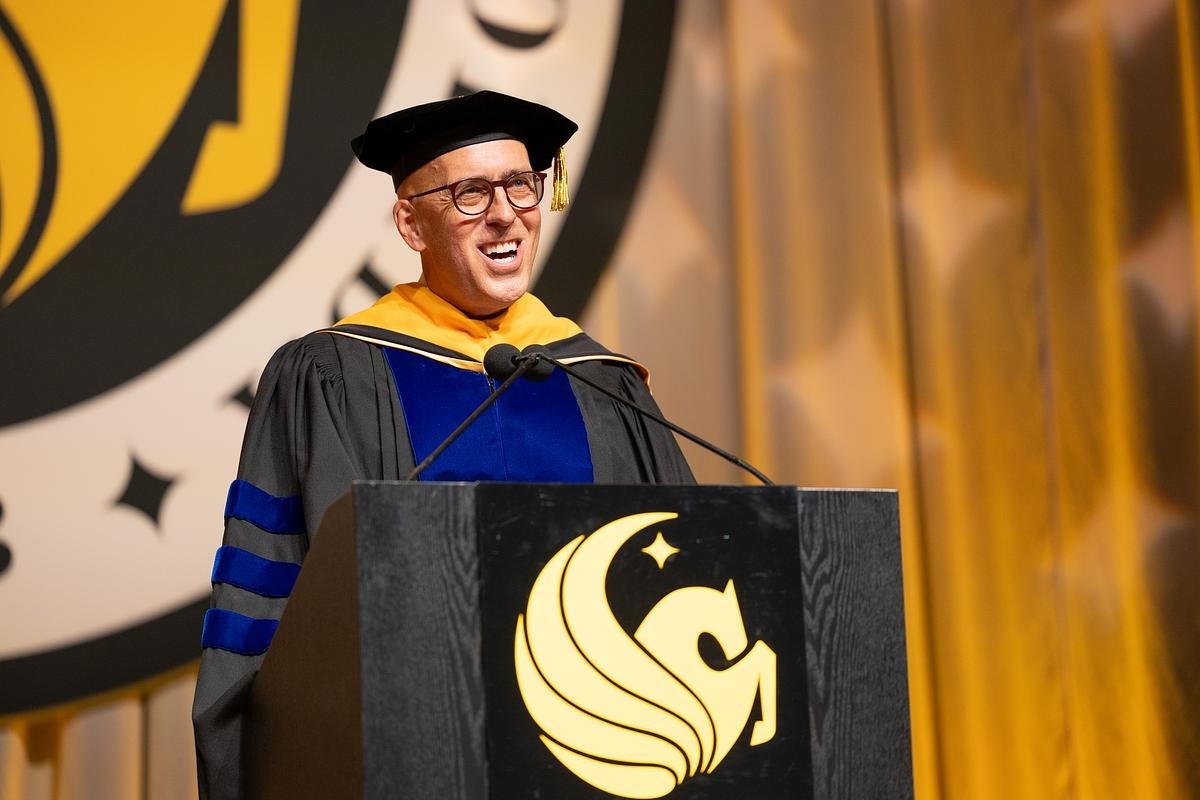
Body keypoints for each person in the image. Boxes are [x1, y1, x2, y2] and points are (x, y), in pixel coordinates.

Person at [190, 90, 694, 798]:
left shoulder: (604, 384)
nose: (505, 214)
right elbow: (277, 601)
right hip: (404, 760)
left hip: (603, 762)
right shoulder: (333, 375)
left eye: (522, 184)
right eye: (469, 194)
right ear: (410, 222)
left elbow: (683, 575)